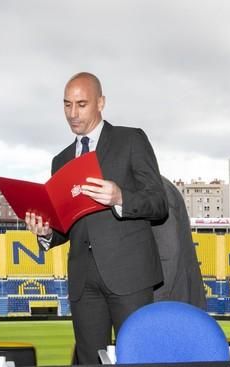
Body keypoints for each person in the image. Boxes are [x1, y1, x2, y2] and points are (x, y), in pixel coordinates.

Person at [25, 72, 167, 364]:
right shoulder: (60, 160)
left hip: (129, 275)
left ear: (101, 103)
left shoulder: (131, 139)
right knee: (89, 360)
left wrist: (120, 197)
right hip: (83, 280)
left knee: (136, 358)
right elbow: (67, 225)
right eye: (67, 105)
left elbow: (158, 203)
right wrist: (45, 232)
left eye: (81, 104)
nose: (72, 114)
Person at [152, 176, 207, 308]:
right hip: (176, 300)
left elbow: (167, 255)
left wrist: (152, 308)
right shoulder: (158, 186)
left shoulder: (155, 190)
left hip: (169, 304)